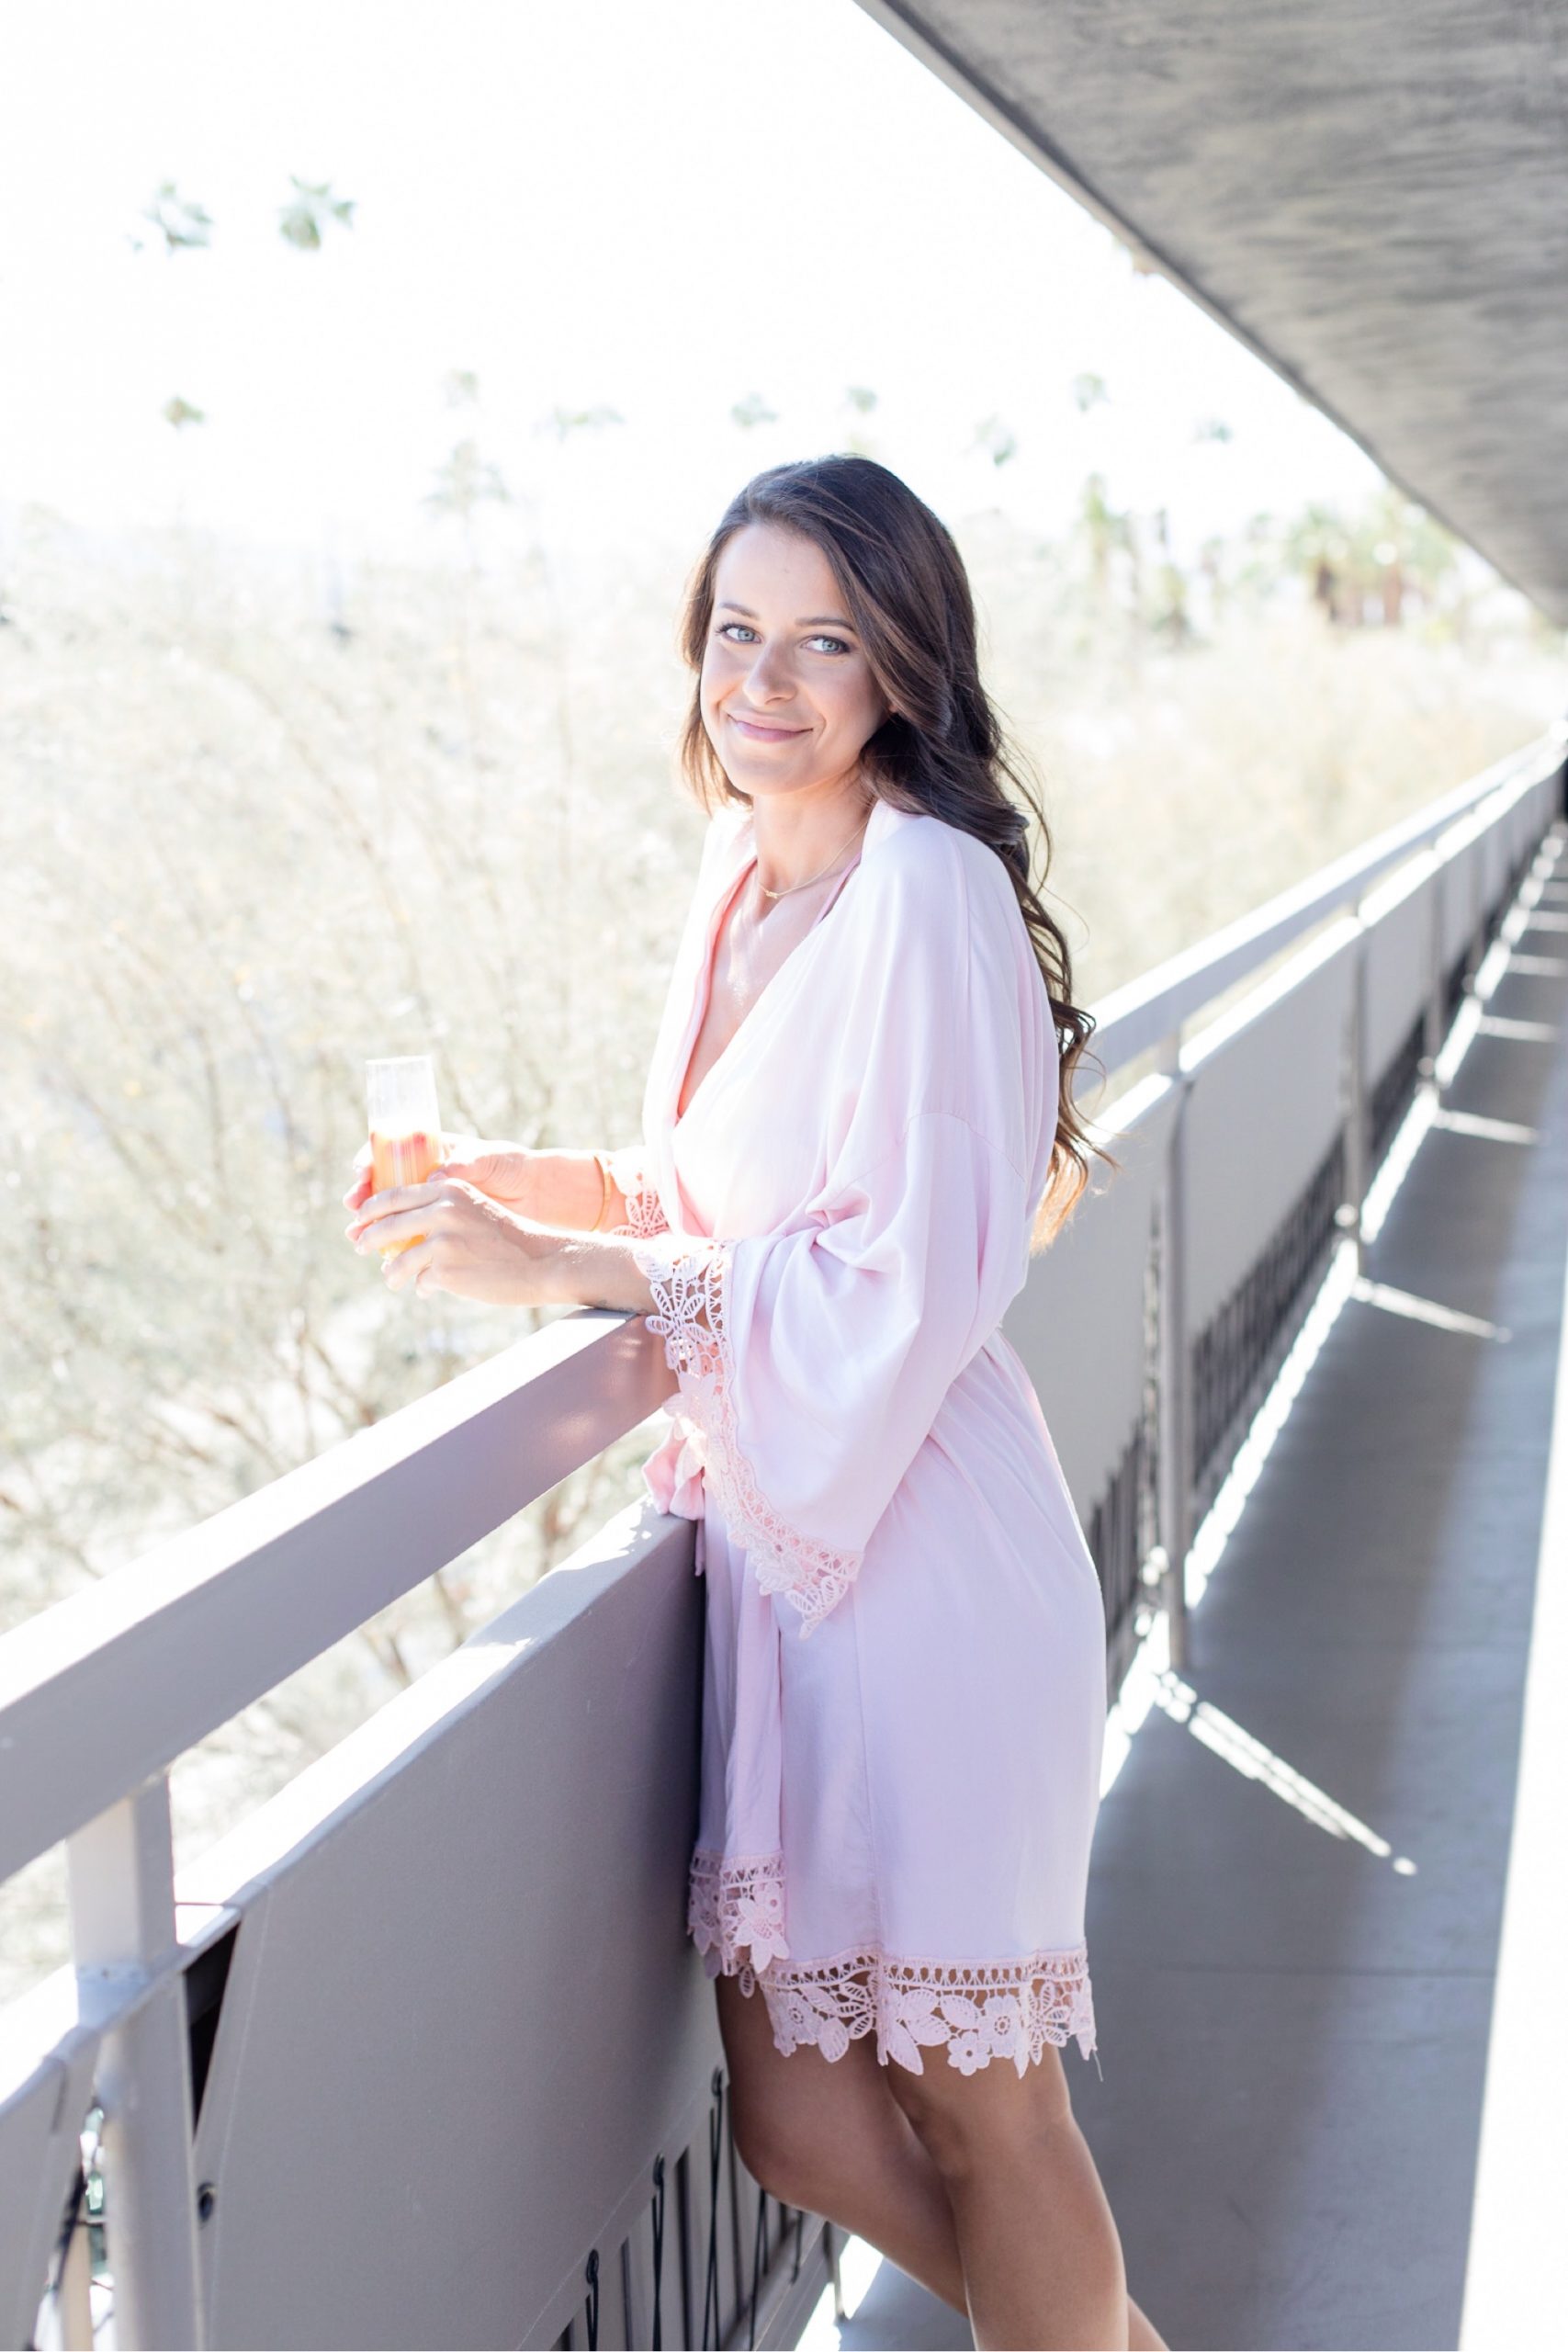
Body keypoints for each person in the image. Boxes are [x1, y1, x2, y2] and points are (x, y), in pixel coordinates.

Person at [344, 456, 1168, 2352]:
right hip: (784, 1559)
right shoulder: (740, 872)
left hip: (925, 1550)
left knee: (984, 2098)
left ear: (900, 668)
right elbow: (737, 1201)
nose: (766, 683)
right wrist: (528, 1184)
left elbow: (912, 1274)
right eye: (735, 632)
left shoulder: (931, 890)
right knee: (795, 2115)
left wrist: (584, 1275)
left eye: (823, 640)